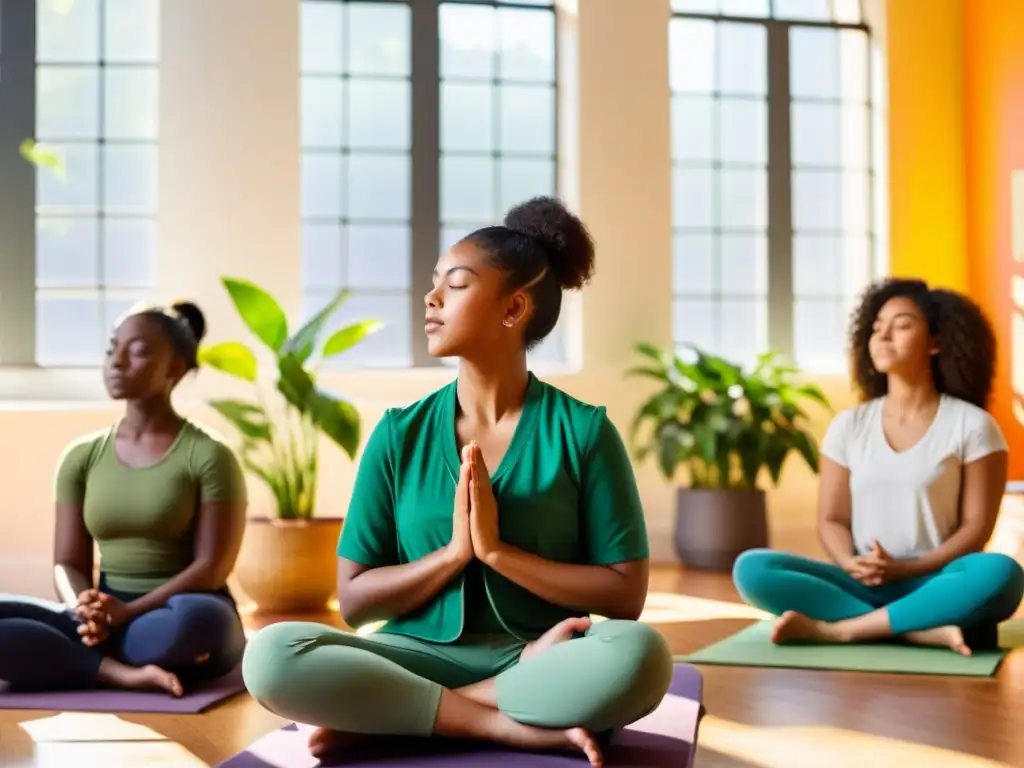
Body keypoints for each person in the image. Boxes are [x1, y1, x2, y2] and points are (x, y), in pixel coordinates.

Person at [242, 197, 673, 766]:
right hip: (411, 655)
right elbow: (353, 600)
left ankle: (398, 718)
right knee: (271, 655)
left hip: (542, 657)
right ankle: (498, 724)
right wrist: (453, 554)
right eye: (434, 283)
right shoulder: (398, 433)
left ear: (513, 308)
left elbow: (626, 595)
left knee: (641, 656)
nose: (432, 297)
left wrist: (497, 554)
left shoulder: (584, 433)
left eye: (458, 284)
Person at [733, 278, 1024, 656]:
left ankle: (842, 630)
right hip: (862, 582)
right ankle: (917, 629)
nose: (883, 335)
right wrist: (849, 563)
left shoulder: (973, 425)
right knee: (752, 569)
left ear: (936, 342)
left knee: (1001, 574)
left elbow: (975, 529)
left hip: (936, 582)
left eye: (901, 325)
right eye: (876, 327)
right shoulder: (848, 425)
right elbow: (832, 519)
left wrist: (907, 569)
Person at [0, 301, 249, 695]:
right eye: (111, 348)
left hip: (173, 613)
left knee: (197, 621)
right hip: (107, 614)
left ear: (175, 368)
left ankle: (83, 658)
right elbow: (67, 561)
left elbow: (212, 568)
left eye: (137, 350)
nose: (116, 361)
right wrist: (84, 608)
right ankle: (122, 672)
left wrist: (128, 612)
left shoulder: (210, 455)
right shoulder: (81, 457)